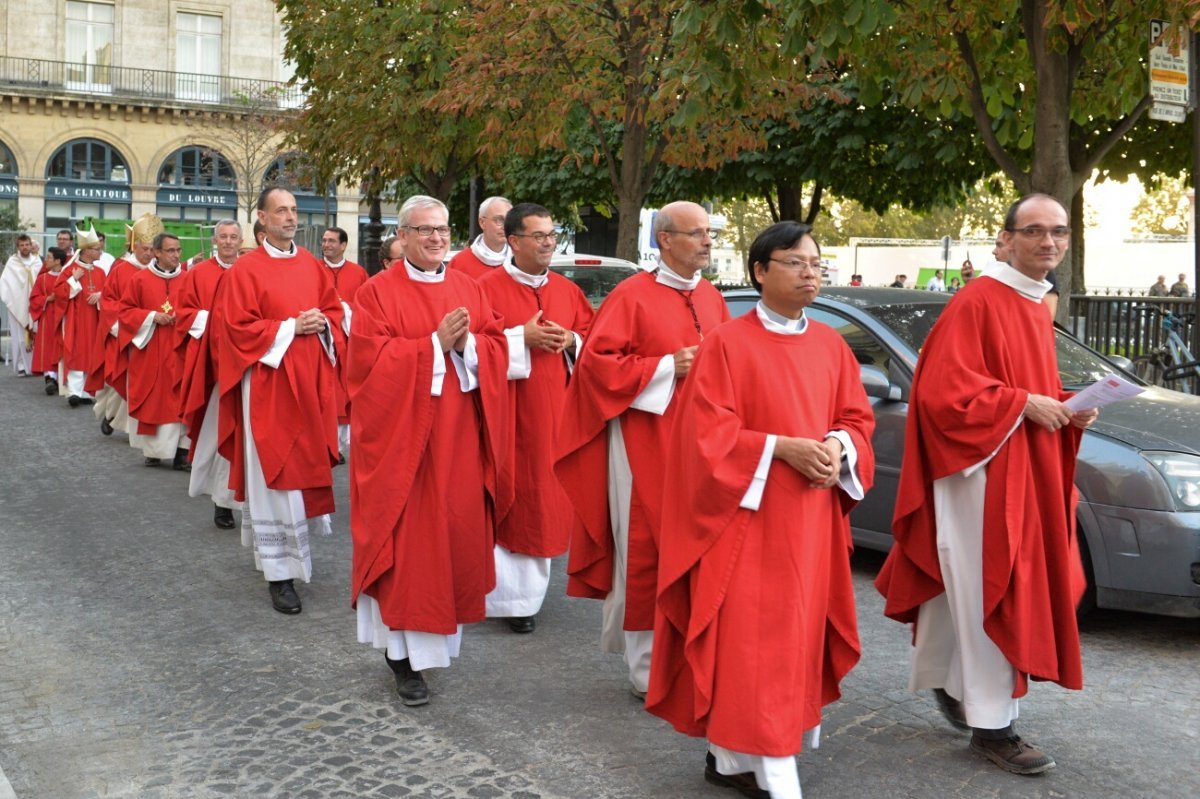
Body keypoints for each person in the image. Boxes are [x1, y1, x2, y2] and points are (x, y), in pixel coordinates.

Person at [647, 221, 875, 799]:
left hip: (810, 523)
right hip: (745, 521)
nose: (810, 273)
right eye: (795, 262)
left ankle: (730, 758)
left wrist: (835, 446)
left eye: (817, 264)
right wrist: (779, 447)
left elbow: (855, 419)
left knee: (793, 638)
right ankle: (773, 767)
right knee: (753, 642)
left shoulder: (830, 344)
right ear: (759, 271)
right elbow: (704, 434)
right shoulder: (727, 343)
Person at [876, 194, 1099, 776]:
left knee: (971, 590)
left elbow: (1022, 385)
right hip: (980, 472)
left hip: (1010, 465)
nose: (1047, 242)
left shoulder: (1032, 303)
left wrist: (1068, 407)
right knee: (991, 587)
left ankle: (958, 685)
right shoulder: (980, 300)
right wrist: (1026, 404)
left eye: (1058, 232)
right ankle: (993, 727)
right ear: (1004, 240)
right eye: (1033, 231)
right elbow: (941, 394)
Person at [555, 200, 730, 699]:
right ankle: (647, 668)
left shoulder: (713, 298)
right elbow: (595, 365)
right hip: (643, 441)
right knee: (646, 548)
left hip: (703, 444)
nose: (707, 241)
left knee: (698, 548)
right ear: (665, 240)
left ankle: (693, 651)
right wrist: (663, 367)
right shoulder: (631, 296)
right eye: (696, 233)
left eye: (708, 233)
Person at [347, 195, 510, 705]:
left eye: (442, 230)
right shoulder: (375, 294)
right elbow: (366, 372)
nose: (437, 238)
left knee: (452, 539)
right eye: (424, 230)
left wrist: (468, 348)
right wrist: (431, 346)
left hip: (459, 436)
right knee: (412, 547)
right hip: (405, 448)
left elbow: (496, 346)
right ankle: (402, 658)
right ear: (403, 237)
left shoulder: (468, 287)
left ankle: (434, 646)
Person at [217, 186, 343, 615]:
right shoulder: (245, 271)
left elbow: (335, 313)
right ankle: (279, 573)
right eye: (281, 211)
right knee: (274, 470)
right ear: (262, 218)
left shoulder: (311, 265)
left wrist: (323, 323)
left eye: (293, 210)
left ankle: (285, 558)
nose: (290, 217)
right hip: (269, 384)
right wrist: (291, 327)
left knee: (300, 470)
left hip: (308, 383)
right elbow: (235, 329)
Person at [478, 203, 595, 634]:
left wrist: (572, 340)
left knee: (544, 501)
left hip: (554, 416)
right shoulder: (484, 288)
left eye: (552, 234)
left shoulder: (567, 290)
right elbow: (472, 346)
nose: (549, 242)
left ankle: (525, 599)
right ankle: (504, 598)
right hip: (505, 412)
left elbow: (596, 343)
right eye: (539, 236)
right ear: (513, 241)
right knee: (509, 493)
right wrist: (519, 338)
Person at [176, 219, 243, 529]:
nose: (228, 242)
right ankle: (221, 502)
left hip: (247, 368)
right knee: (220, 435)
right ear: (215, 240)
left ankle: (246, 501)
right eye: (223, 237)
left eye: (233, 237)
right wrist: (214, 318)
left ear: (241, 240)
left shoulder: (250, 271)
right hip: (214, 370)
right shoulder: (198, 274)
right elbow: (184, 314)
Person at [118, 232, 190, 469]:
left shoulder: (189, 279)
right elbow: (125, 311)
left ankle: (182, 451)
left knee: (182, 396)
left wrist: (183, 316)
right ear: (157, 253)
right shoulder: (139, 279)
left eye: (179, 250)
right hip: (150, 349)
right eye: (171, 251)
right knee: (153, 398)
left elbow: (198, 308)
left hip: (180, 349)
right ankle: (154, 451)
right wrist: (151, 316)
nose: (176, 255)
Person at [92, 213, 162, 437]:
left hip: (152, 335)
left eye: (153, 250)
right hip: (124, 334)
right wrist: (123, 328)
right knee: (122, 379)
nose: (149, 254)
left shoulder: (159, 272)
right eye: (145, 249)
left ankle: (135, 424)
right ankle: (111, 417)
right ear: (135, 246)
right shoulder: (121, 269)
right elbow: (109, 301)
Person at [320, 226, 370, 459]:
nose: (326, 244)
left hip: (349, 344)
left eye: (331, 241)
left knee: (345, 392)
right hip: (323, 341)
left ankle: (341, 443)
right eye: (324, 240)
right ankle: (325, 442)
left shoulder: (358, 273)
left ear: (343, 245)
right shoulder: (314, 269)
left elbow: (366, 307)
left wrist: (346, 308)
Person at [54, 226, 106, 407]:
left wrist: (100, 296)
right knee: (76, 351)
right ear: (86, 251)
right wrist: (73, 279)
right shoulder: (71, 269)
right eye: (97, 249)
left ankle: (86, 391)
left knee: (91, 353)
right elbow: (59, 293)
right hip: (76, 319)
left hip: (95, 319)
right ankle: (74, 392)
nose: (101, 251)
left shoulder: (100, 272)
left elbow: (110, 294)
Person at [1, 233, 41, 375]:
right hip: (17, 304)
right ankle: (20, 367)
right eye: (22, 245)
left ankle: (35, 366)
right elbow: (6, 282)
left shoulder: (37, 262)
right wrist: (13, 300)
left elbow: (42, 281)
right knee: (18, 337)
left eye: (27, 244)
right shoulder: (13, 262)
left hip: (34, 304)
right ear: (18, 247)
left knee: (35, 333)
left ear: (31, 246)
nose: (25, 247)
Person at [29, 247, 66, 393]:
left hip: (64, 317)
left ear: (57, 261)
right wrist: (47, 299)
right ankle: (50, 378)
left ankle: (61, 377)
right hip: (47, 318)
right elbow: (33, 299)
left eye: (49, 257)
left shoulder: (67, 276)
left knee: (61, 345)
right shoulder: (42, 278)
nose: (46, 260)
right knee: (47, 346)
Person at [448, 196, 513, 280]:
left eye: (509, 220)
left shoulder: (521, 262)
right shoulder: (459, 263)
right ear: (482, 223)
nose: (505, 226)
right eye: (499, 220)